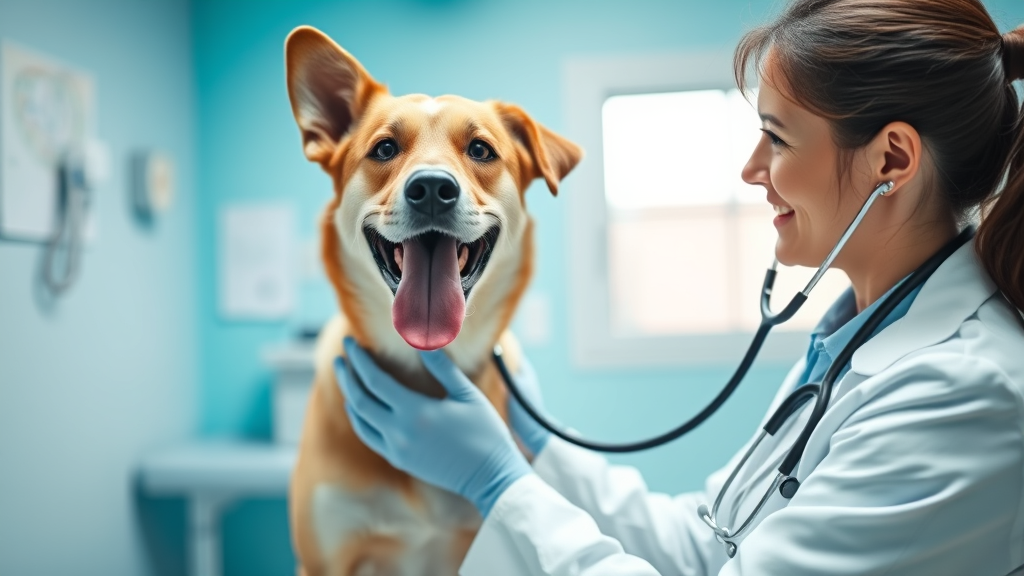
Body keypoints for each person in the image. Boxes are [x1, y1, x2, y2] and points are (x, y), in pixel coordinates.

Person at [337, 0, 1024, 573]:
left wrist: (499, 483)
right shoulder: (853, 344)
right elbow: (709, 543)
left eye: (777, 140)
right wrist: (537, 447)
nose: (752, 169)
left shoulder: (966, 391)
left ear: (892, 159)